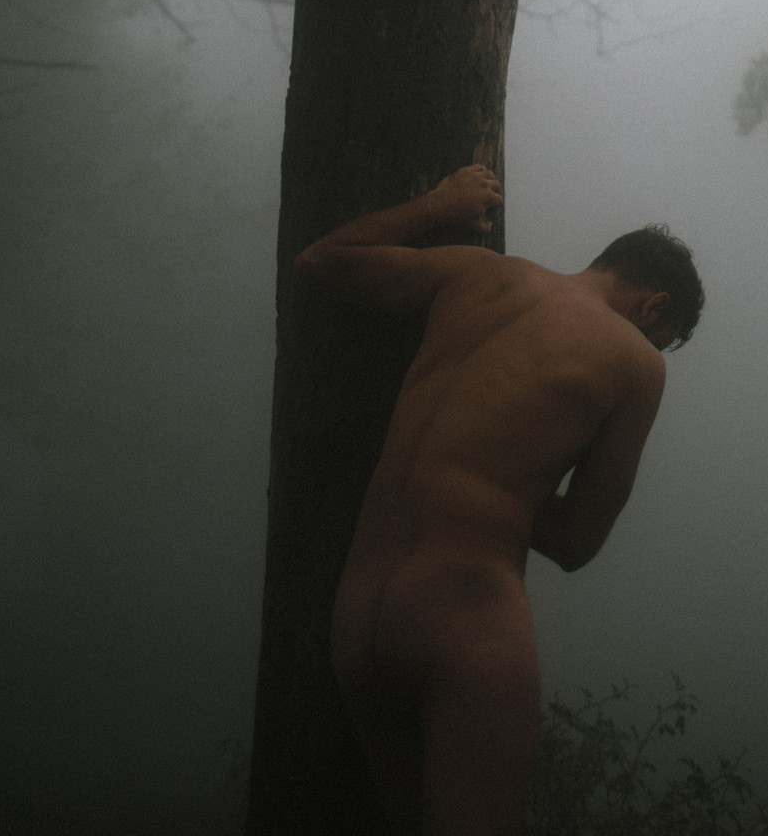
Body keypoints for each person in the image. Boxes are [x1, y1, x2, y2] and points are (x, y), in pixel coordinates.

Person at [295, 162, 703, 836]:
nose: (652, 347)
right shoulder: (638, 363)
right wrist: (501, 483)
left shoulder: (478, 274)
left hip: (358, 614)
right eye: (658, 333)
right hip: (463, 616)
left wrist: (438, 205)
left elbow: (322, 259)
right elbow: (575, 543)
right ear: (653, 306)